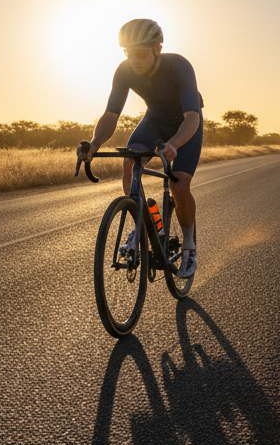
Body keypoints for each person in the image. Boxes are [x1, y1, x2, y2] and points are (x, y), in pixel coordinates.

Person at [77, 19, 203, 278]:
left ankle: (189, 247)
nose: (133, 59)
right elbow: (111, 115)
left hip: (184, 125)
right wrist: (95, 144)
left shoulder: (179, 66)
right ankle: (141, 224)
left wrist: (174, 144)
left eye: (140, 53)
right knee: (129, 162)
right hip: (154, 121)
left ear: (157, 48)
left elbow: (192, 117)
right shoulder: (124, 71)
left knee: (179, 186)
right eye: (127, 52)